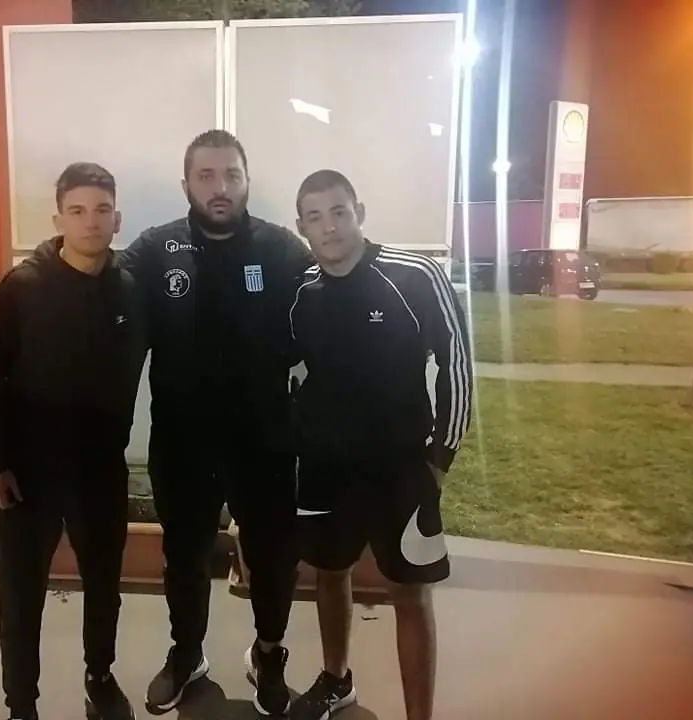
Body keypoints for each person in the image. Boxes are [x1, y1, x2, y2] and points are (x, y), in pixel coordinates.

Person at [118, 129, 313, 716]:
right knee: (184, 556)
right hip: (183, 442)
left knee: (273, 556)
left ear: (247, 180)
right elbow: (97, 289)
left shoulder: (282, 251)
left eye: (231, 174)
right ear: (186, 184)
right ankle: (187, 654)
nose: (219, 187)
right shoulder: (156, 250)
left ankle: (269, 655)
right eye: (206, 176)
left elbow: (335, 303)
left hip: (265, 440)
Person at [287, 170, 473, 720]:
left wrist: (439, 459)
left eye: (338, 212)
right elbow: (284, 372)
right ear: (302, 228)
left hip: (401, 468)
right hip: (324, 469)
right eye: (315, 217)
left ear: (359, 212)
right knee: (330, 574)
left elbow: (457, 367)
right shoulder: (299, 291)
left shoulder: (414, 275)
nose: (329, 227)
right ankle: (336, 680)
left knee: (410, 593)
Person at [0, 163, 147, 720]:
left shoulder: (130, 291)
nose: (91, 221)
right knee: (21, 597)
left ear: (117, 218)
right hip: (27, 473)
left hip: (100, 469)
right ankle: (22, 705)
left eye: (101, 210)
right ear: (58, 219)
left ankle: (100, 676)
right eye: (78, 210)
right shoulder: (23, 288)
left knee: (104, 586)